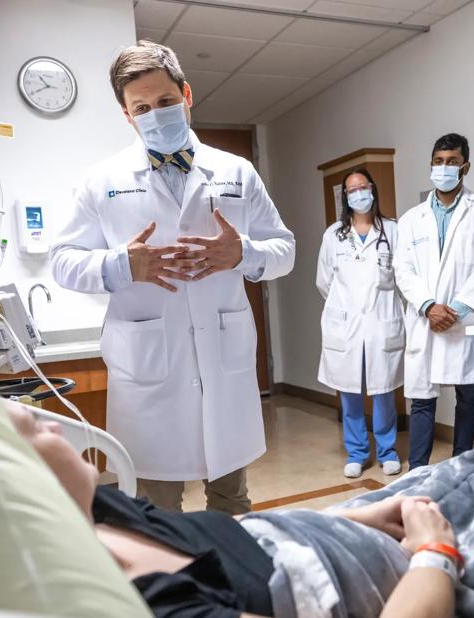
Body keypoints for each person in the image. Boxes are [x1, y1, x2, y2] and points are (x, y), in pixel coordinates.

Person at [0, 404, 461, 618]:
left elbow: (221, 537)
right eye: (18, 429)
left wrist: (351, 516)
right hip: (415, 572)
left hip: (342, 530)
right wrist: (434, 554)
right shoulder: (122, 602)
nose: (39, 416)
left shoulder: (93, 505)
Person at [50, 41, 295, 514]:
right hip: (149, 370)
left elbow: (284, 250)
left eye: (164, 102)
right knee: (156, 507)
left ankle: (235, 583)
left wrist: (242, 253)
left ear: (187, 93)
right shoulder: (101, 180)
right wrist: (124, 264)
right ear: (126, 115)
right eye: (141, 108)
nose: (155, 114)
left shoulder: (236, 171)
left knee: (231, 499)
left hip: (222, 362)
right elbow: (63, 261)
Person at [394, 133, 474, 469]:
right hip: (425, 316)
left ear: (465, 166)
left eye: (452, 162)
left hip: (464, 318)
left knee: (468, 394)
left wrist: (454, 310)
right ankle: (418, 472)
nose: (444, 168)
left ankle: (461, 465)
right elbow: (403, 269)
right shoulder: (412, 218)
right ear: (431, 164)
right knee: (422, 398)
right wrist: (429, 306)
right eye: (439, 161)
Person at [316, 168, 405, 478]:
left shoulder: (392, 230)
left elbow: (402, 276)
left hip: (381, 322)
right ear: (345, 196)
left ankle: (388, 451)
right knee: (349, 391)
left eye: (362, 187)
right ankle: (356, 452)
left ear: (373, 189)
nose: (358, 194)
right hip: (347, 324)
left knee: (383, 391)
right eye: (351, 190)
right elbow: (324, 281)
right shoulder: (333, 235)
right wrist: (347, 307)